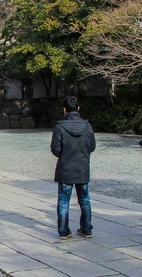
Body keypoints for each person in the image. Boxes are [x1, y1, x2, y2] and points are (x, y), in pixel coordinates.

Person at [50, 95, 96, 240]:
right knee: (84, 199)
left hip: (65, 167)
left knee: (64, 201)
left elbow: (55, 149)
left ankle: (64, 231)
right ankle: (86, 228)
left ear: (64, 110)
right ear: (78, 108)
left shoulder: (60, 127)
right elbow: (92, 146)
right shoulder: (87, 126)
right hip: (82, 166)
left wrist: (65, 155)